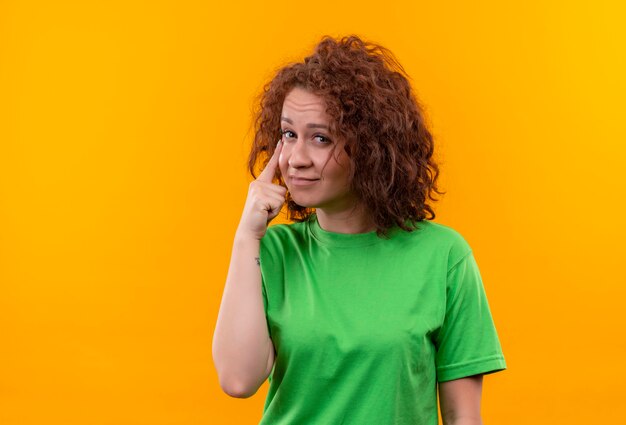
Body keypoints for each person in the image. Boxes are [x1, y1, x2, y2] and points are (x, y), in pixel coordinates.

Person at [212, 35, 506, 425]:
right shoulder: (271, 251)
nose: (296, 159)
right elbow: (237, 380)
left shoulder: (445, 257)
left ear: (371, 149)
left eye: (321, 138)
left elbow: (463, 417)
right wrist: (245, 237)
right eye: (288, 134)